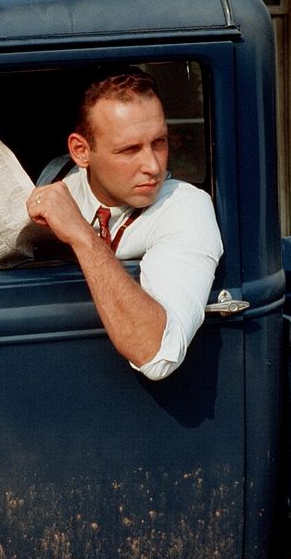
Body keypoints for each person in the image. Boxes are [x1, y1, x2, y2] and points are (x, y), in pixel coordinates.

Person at [26, 68, 223, 381]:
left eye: (159, 143)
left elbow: (157, 353)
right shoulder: (57, 180)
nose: (153, 166)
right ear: (80, 151)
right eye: (129, 150)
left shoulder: (185, 207)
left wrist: (82, 237)